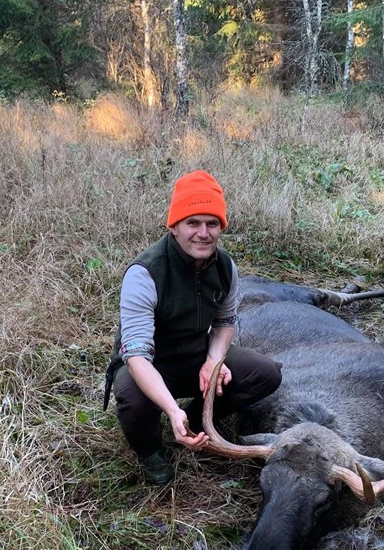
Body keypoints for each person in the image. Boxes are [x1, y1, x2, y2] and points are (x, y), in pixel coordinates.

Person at [104, 170, 282, 484]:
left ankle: (199, 419)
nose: (203, 233)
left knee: (265, 373)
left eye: (212, 223)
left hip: (196, 355)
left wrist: (213, 361)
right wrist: (172, 410)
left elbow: (225, 322)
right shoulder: (144, 273)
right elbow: (137, 356)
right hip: (149, 362)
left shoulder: (225, 267)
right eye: (192, 223)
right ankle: (151, 451)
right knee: (134, 398)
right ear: (174, 226)